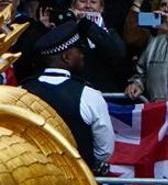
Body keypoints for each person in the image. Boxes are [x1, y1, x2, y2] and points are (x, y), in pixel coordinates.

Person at [21, 21, 114, 171]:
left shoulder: (21, 92)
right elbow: (104, 151)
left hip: (33, 183)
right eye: (79, 50)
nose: (83, 55)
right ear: (66, 57)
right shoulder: (89, 95)